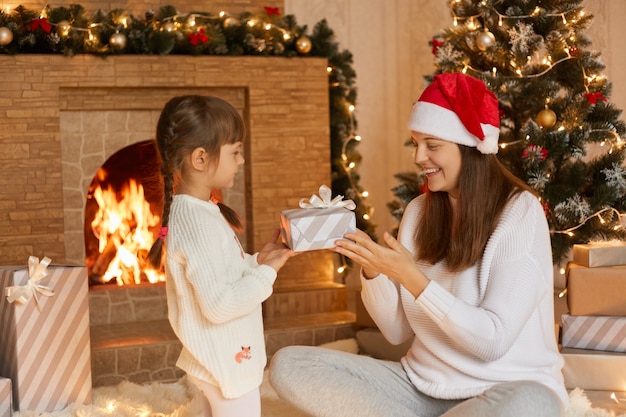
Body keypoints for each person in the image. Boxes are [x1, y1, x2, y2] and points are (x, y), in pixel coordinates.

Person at [269, 72, 568, 417]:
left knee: (534, 404)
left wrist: (413, 278)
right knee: (289, 364)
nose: (418, 157)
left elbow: (492, 342)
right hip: (419, 387)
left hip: (501, 390)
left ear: (470, 148)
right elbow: (397, 332)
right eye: (416, 143)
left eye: (432, 145)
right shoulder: (418, 212)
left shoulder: (519, 212)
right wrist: (372, 269)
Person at [147, 95, 295, 417]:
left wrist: (258, 261)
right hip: (225, 364)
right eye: (235, 151)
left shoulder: (200, 210)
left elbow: (222, 271)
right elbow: (219, 304)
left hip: (213, 359)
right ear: (200, 158)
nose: (241, 161)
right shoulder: (198, 223)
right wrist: (265, 275)